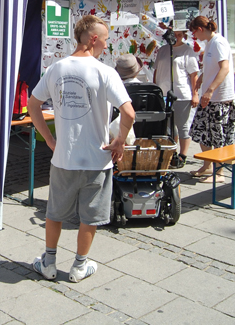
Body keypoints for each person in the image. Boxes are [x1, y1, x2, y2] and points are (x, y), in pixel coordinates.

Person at [28, 15, 135, 283]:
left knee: (55, 212)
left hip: (64, 157)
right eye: (107, 40)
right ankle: (79, 266)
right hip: (98, 159)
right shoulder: (105, 72)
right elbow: (129, 114)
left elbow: (33, 105)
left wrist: (50, 140)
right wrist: (120, 141)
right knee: (90, 216)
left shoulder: (56, 68)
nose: (107, 46)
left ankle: (49, 262)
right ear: (94, 39)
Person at [188, 16, 235, 183]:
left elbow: (224, 68)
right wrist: (202, 77)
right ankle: (207, 165)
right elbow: (212, 66)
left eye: (194, 33)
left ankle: (219, 172)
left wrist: (210, 90)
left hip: (220, 98)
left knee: (218, 136)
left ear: (200, 29)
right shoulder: (209, 43)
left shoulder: (218, 43)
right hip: (209, 97)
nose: (195, 37)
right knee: (200, 132)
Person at [153, 29, 199, 164]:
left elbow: (193, 75)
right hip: (164, 93)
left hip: (181, 94)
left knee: (182, 125)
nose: (177, 38)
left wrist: (195, 94)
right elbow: (156, 70)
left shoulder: (187, 51)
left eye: (180, 35)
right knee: (168, 127)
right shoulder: (162, 50)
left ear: (184, 36)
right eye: (175, 35)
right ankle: (171, 153)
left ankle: (183, 155)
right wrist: (156, 89)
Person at [109, 54, 142, 144]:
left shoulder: (116, 90)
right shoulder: (150, 89)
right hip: (145, 134)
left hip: (122, 136)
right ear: (137, 72)